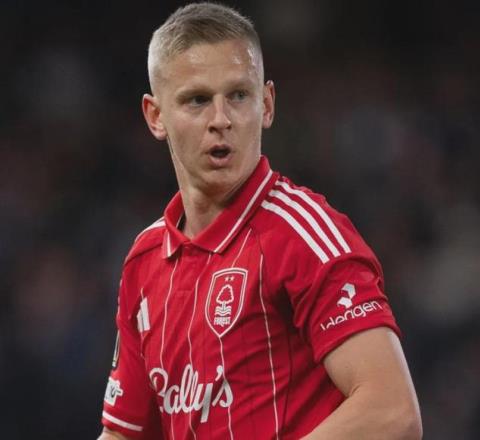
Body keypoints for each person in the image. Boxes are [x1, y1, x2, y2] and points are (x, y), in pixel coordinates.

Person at [98, 2, 422, 439]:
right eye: (197, 100)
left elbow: (392, 410)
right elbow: (123, 433)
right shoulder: (145, 259)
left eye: (238, 95)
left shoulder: (302, 236)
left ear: (266, 104)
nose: (221, 120)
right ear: (156, 116)